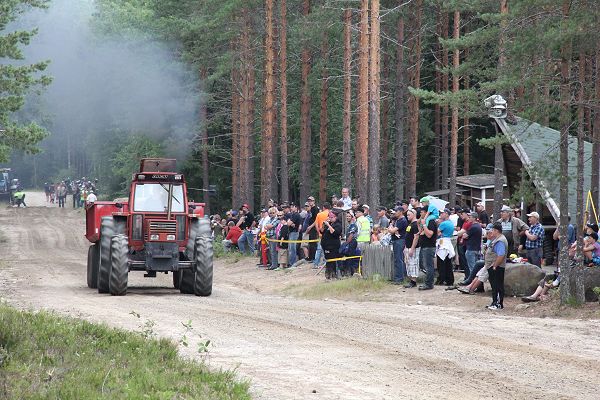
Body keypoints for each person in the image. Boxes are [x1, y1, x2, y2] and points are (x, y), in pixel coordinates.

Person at [485, 222, 508, 310]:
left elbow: (501, 255)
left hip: (497, 266)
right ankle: (494, 302)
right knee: (494, 285)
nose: (491, 232)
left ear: (496, 230)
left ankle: (498, 303)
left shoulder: (500, 240)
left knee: (497, 285)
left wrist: (495, 265)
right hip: (493, 266)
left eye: (493, 230)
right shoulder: (496, 239)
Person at [418, 207, 437, 290]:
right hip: (425, 246)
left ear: (426, 213)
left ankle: (429, 283)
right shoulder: (426, 221)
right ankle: (428, 282)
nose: (420, 214)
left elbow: (429, 234)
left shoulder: (431, 222)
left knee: (429, 266)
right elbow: (421, 232)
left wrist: (424, 225)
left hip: (429, 246)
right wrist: (421, 223)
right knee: (427, 266)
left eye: (422, 212)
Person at [320, 210, 342, 279]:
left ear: (335, 217)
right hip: (326, 246)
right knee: (328, 261)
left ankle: (334, 274)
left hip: (333, 246)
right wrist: (323, 225)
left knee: (332, 261)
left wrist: (328, 225)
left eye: (332, 217)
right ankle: (328, 274)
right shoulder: (329, 224)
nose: (330, 218)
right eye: (329, 217)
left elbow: (335, 233)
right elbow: (321, 231)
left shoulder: (338, 225)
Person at [389, 206, 408, 285]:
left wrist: (390, 228)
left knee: (398, 259)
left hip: (399, 241)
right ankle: (402, 276)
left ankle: (399, 278)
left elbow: (392, 230)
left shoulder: (402, 220)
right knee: (400, 259)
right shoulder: (397, 220)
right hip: (397, 240)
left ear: (400, 212)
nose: (395, 213)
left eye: (396, 211)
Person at [436, 208, 455, 286]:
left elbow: (437, 233)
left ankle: (441, 278)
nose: (441, 215)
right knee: (448, 263)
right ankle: (449, 279)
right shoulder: (450, 223)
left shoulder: (443, 224)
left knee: (441, 263)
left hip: (443, 242)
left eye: (442, 213)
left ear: (446, 214)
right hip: (448, 241)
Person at [403, 208, 421, 288]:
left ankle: (414, 281)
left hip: (413, 248)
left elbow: (416, 237)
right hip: (408, 247)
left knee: (413, 263)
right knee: (408, 263)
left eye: (409, 215)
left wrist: (412, 248)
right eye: (407, 215)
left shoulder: (415, 224)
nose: (407, 216)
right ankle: (411, 280)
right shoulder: (410, 224)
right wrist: (406, 247)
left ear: (414, 214)